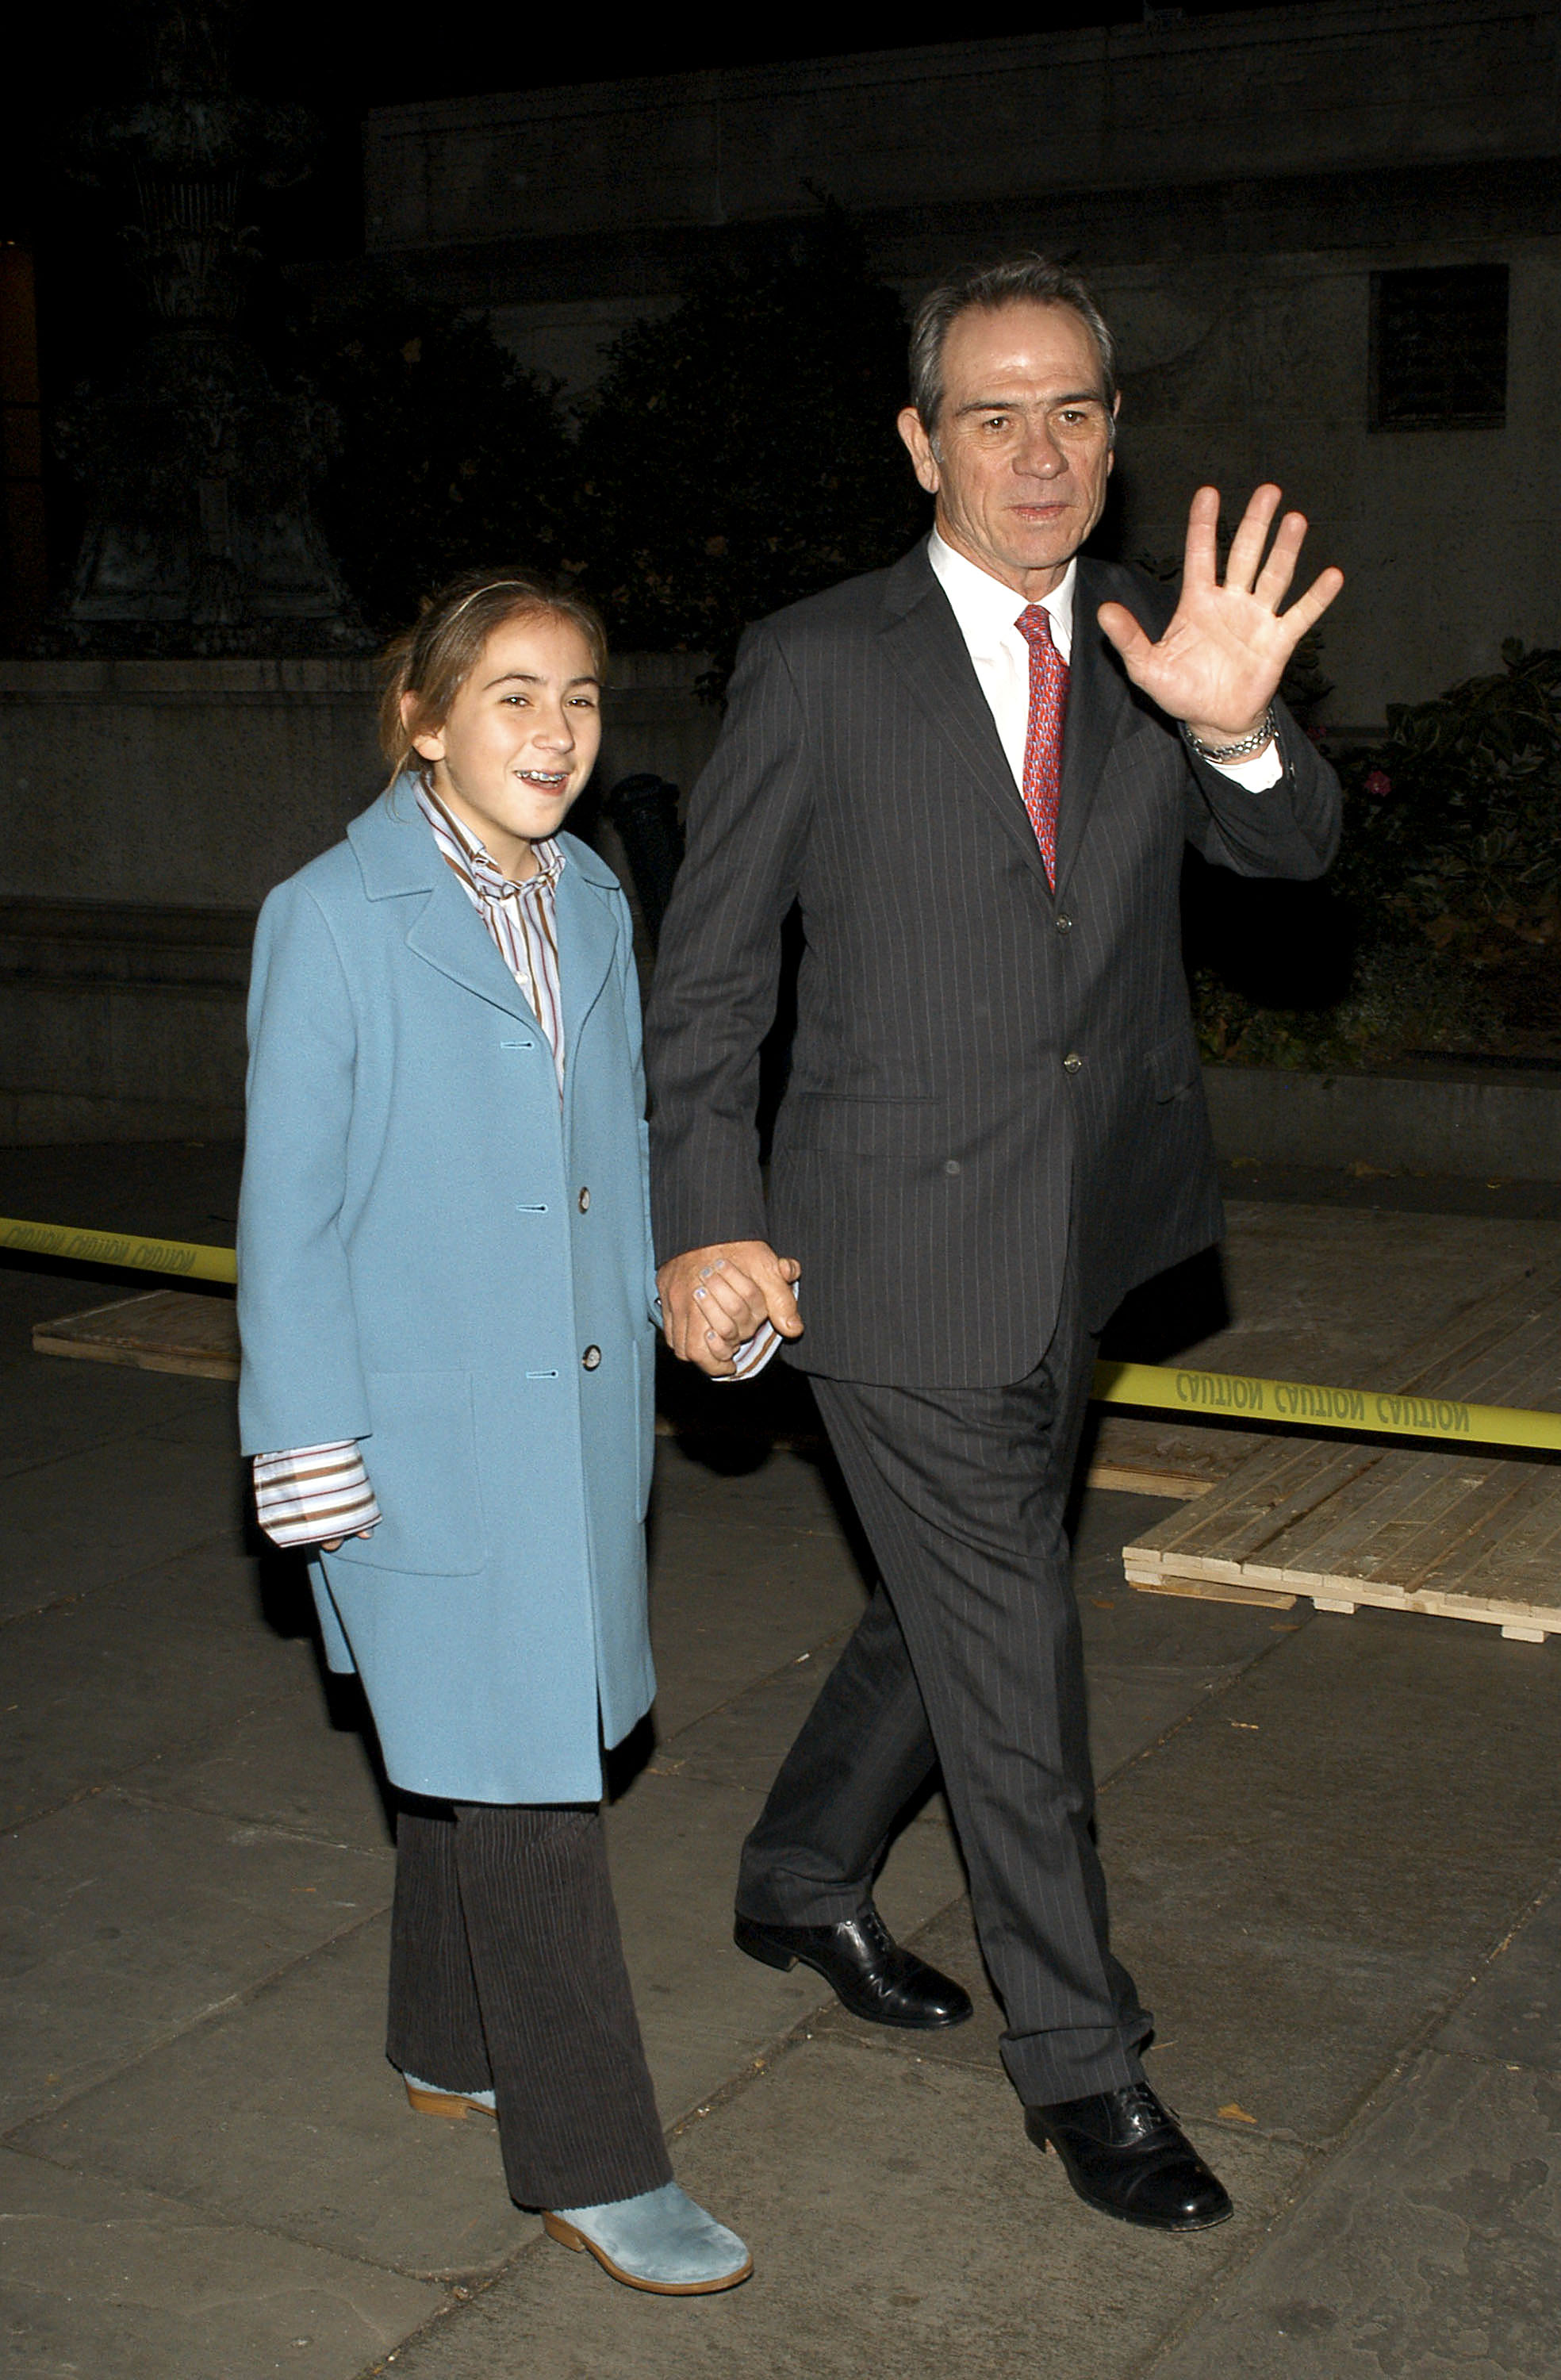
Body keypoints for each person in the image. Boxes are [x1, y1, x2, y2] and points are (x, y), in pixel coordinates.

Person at [646, 257, 1344, 2233]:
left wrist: (1238, 734)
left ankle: (795, 1879)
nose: (1035, 453)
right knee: (1016, 1661)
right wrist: (708, 1214)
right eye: (990, 415)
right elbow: (704, 985)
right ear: (917, 440)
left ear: (1114, 437)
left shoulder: (1155, 636)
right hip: (883, 1247)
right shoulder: (817, 660)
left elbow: (1295, 857)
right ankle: (1084, 2067)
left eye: (1072, 413)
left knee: (952, 1604)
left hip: (1089, 1235)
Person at [236, 570, 751, 2295]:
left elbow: (609, 1142)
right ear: (427, 718)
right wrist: (302, 1446)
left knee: (490, 1745)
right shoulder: (331, 917)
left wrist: (689, 1289)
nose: (554, 731)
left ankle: (445, 2037)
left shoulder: (595, 894)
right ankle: (594, 2161)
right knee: (535, 1786)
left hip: (582, 1426)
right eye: (513, 696)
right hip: (420, 1438)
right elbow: (287, 1214)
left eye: (583, 698)